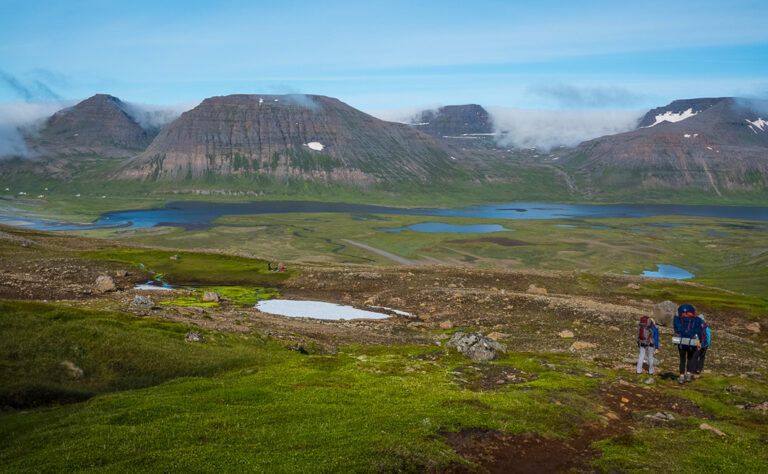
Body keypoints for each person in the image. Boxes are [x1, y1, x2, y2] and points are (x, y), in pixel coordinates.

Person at [673, 304, 702, 384]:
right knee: (690, 358)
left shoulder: (679, 319)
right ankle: (688, 374)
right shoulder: (695, 320)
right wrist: (699, 343)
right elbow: (698, 332)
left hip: (681, 341)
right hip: (691, 342)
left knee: (682, 359)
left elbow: (676, 329)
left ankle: (681, 376)